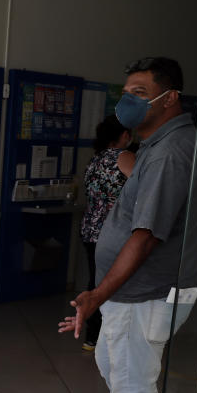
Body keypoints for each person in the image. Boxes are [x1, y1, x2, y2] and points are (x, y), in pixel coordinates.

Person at [59, 57, 197, 393]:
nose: (127, 101)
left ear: (171, 100)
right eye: (126, 91)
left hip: (147, 291)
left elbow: (145, 237)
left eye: (140, 93)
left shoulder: (170, 152)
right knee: (112, 363)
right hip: (136, 291)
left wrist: (97, 293)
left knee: (134, 386)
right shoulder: (163, 144)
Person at [79, 115, 131, 351]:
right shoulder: (124, 157)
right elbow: (143, 188)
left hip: (91, 228)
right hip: (115, 230)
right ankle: (111, 337)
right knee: (115, 284)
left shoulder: (95, 160)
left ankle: (91, 336)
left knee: (95, 281)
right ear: (123, 136)